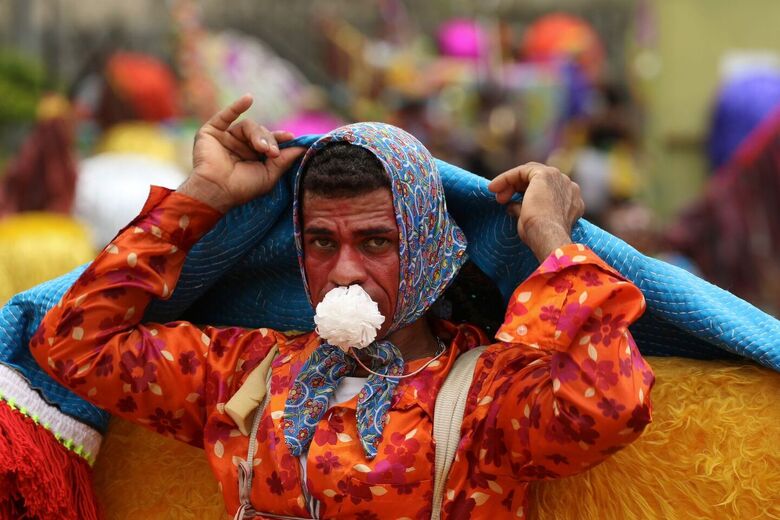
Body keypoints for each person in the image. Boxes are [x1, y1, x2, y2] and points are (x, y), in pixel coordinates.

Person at [31, 95, 654, 519]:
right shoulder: (245, 372)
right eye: (321, 243)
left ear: (429, 249)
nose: (344, 271)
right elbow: (73, 343)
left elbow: (609, 405)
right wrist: (204, 195)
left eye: (376, 242)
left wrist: (550, 237)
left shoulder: (487, 397)